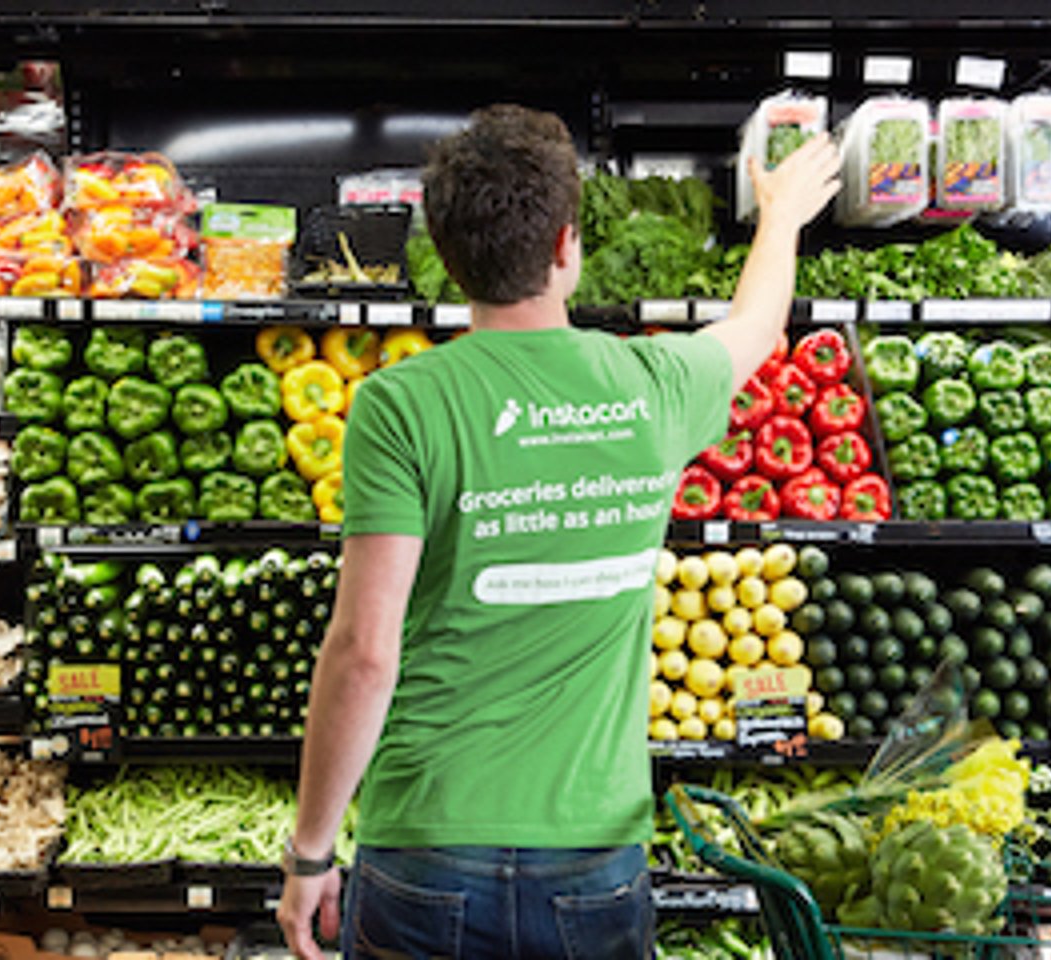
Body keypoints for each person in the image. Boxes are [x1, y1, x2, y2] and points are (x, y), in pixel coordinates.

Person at [276, 104, 839, 959]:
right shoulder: (653, 381)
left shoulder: (403, 402)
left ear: (449, 255)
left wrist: (310, 849)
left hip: (427, 838)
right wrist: (782, 214)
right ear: (567, 245)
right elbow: (759, 324)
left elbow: (363, 652)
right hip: (593, 850)